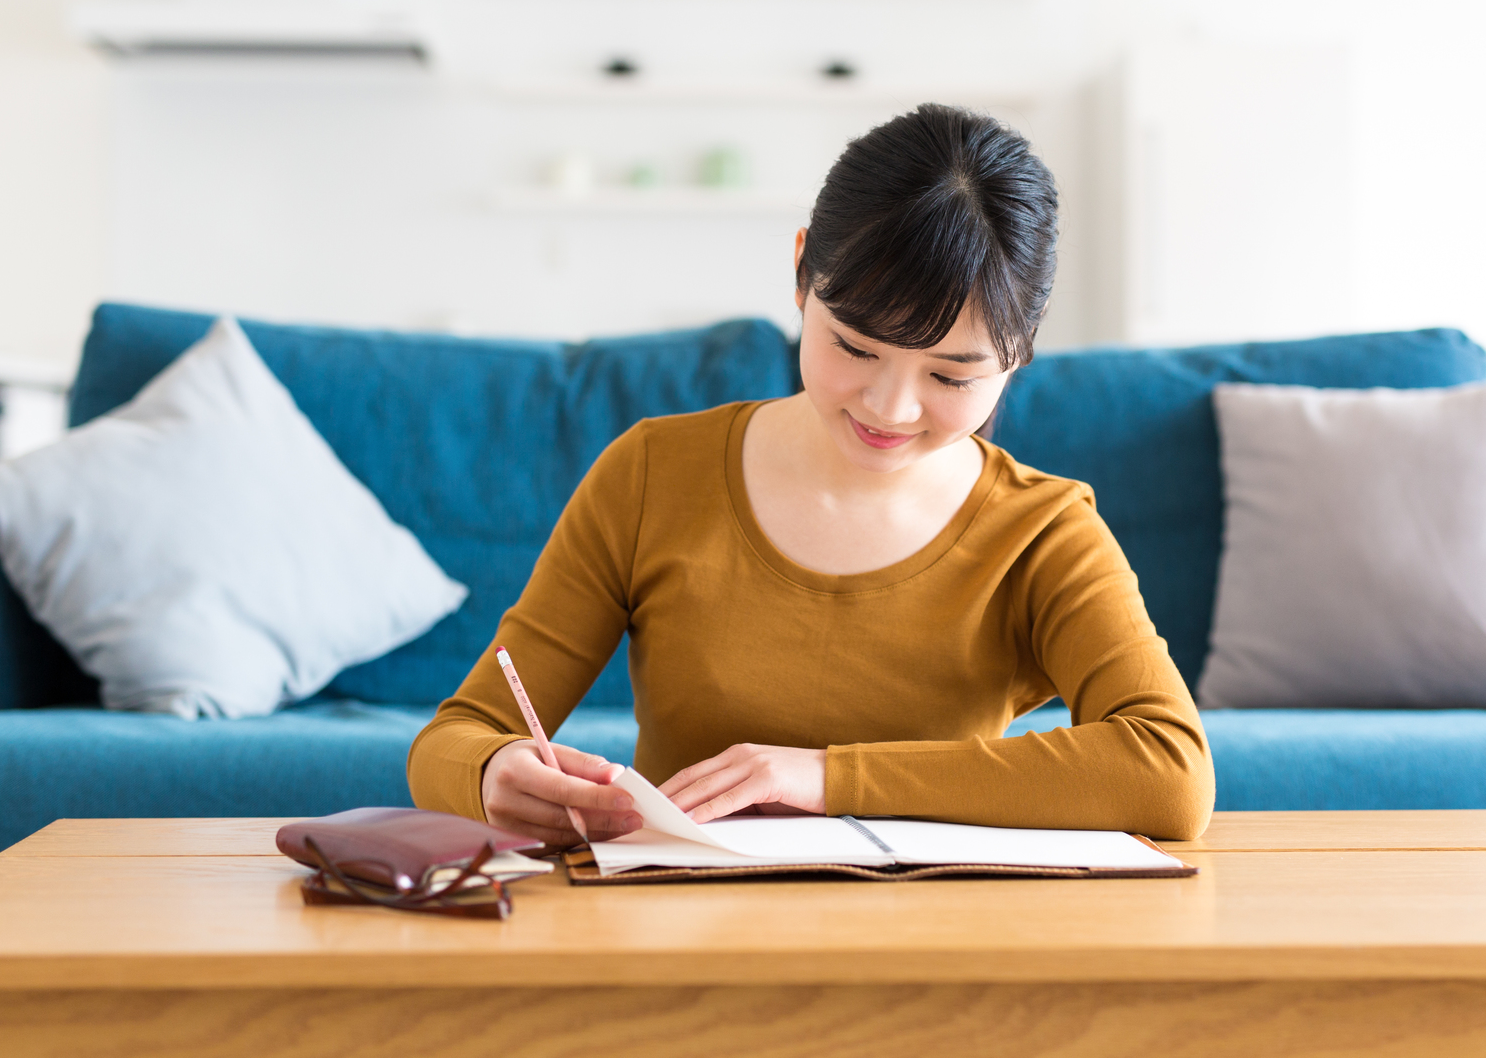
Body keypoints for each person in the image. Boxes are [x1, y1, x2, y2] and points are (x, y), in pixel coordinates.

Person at [408, 103, 1214, 847]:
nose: (891, 408)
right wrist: (489, 774)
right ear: (802, 274)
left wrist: (827, 776)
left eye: (952, 376)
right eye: (855, 348)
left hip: (938, 943)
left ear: (1021, 350)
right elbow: (456, 736)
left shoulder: (1041, 532)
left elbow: (1171, 770)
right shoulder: (654, 474)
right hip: (682, 936)